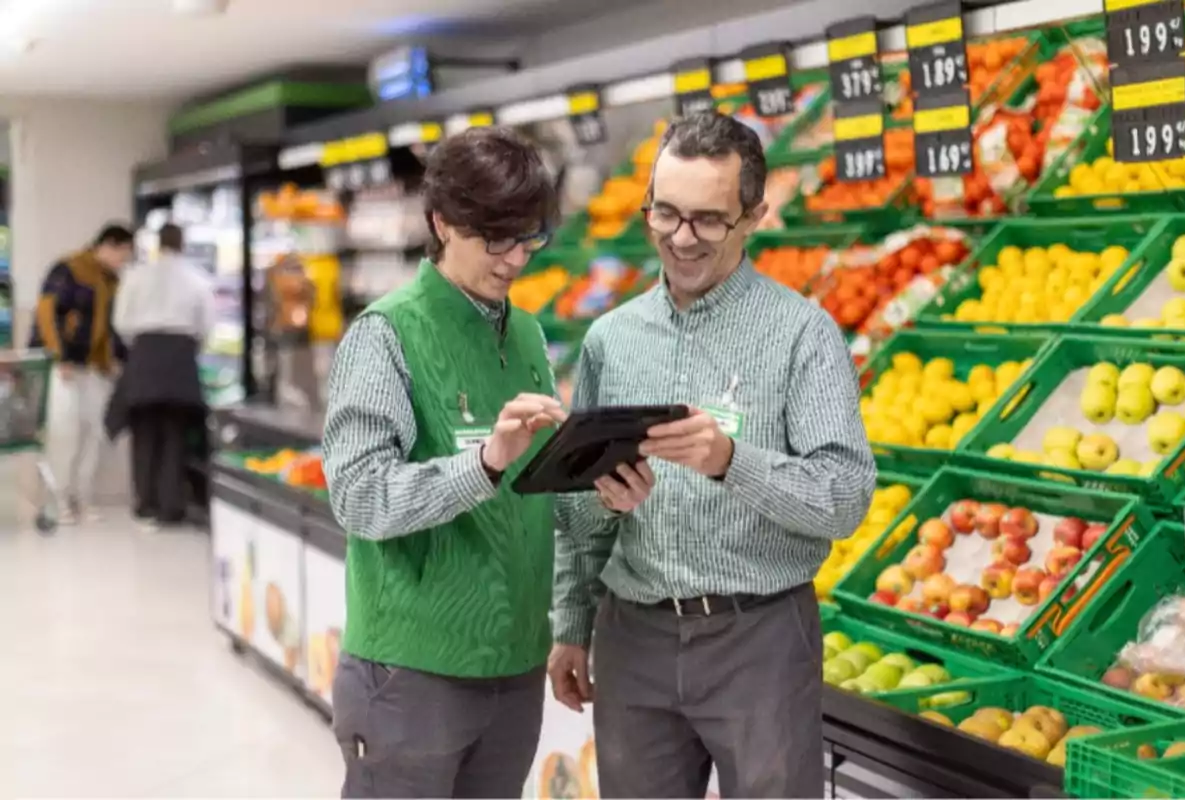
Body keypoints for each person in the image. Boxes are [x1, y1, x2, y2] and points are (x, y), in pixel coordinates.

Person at [550, 110, 876, 799]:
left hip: (758, 638)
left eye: (707, 219)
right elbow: (576, 508)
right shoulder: (612, 338)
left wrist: (733, 460)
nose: (681, 239)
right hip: (631, 634)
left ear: (754, 216)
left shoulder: (803, 335)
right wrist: (572, 621)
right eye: (664, 215)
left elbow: (844, 497)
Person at [323, 126, 588, 800]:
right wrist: (484, 464)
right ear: (441, 222)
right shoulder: (387, 335)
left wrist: (593, 476)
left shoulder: (526, 332)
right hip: (411, 675)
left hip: (513, 666)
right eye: (495, 237)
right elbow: (359, 497)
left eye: (529, 237)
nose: (515, 258)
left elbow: (533, 493)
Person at [109, 223, 215, 528]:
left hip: (144, 354)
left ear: (158, 243)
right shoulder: (197, 279)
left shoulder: (136, 276)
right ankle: (172, 507)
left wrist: (140, 347)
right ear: (182, 244)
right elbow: (207, 324)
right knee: (175, 434)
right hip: (181, 357)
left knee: (144, 434)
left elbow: (121, 321)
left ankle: (146, 504)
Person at [32, 223, 134, 525]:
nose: (124, 262)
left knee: (93, 433)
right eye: (123, 254)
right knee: (64, 433)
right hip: (65, 366)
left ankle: (83, 496)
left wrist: (118, 358)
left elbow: (112, 326)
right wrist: (59, 355)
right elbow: (47, 312)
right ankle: (58, 498)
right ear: (109, 245)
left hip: (96, 367)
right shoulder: (69, 269)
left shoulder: (112, 281)